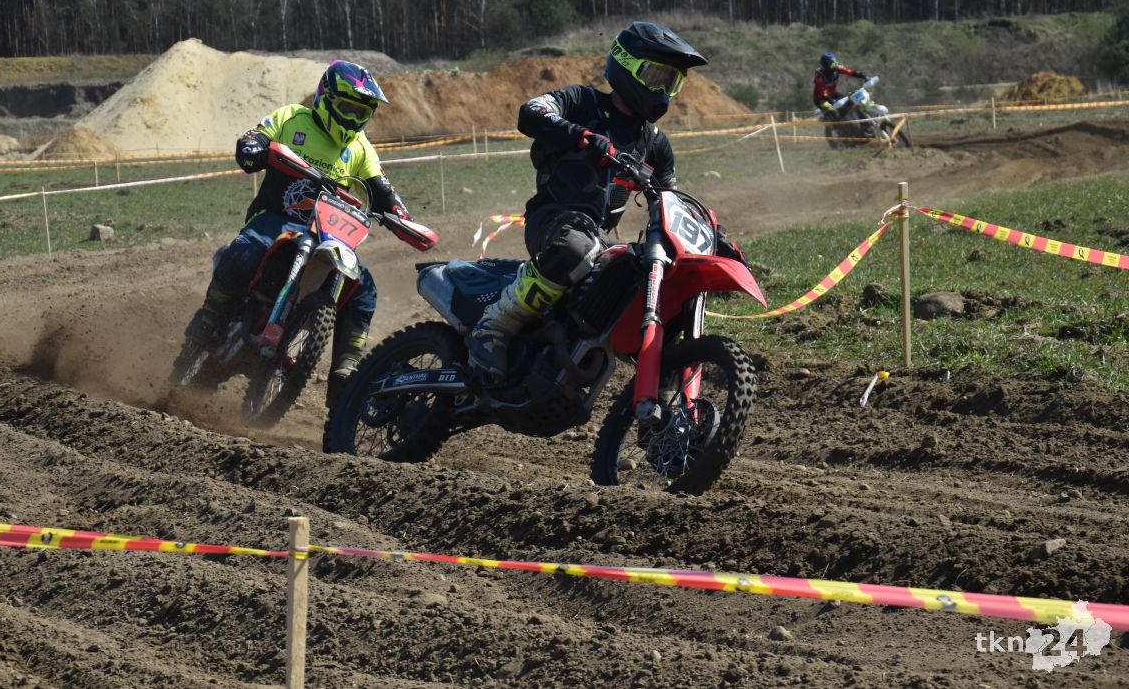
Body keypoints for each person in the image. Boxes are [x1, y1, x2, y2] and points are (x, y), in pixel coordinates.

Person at [467, 21, 746, 379]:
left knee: (646, 275)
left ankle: (660, 378)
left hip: (599, 237)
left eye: (671, 83)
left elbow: (671, 202)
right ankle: (494, 324)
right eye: (656, 77)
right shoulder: (582, 102)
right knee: (578, 247)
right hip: (552, 220)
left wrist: (716, 239)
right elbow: (531, 112)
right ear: (626, 66)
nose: (662, 91)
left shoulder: (654, 143)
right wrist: (580, 135)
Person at [177, 59, 411, 404]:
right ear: (327, 99)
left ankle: (346, 375)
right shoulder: (292, 118)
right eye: (348, 108)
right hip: (276, 217)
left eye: (362, 113)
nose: (353, 119)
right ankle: (209, 318)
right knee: (243, 251)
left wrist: (400, 214)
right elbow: (257, 136)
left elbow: (381, 188)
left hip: (328, 235)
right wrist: (253, 145)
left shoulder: (360, 148)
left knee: (364, 289)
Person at [813, 51, 870, 120]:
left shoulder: (837, 69)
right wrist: (833, 101)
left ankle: (859, 120)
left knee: (850, 103)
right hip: (821, 99)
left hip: (833, 94)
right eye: (832, 63)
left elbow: (851, 72)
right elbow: (823, 93)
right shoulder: (819, 77)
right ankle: (826, 118)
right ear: (826, 64)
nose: (834, 64)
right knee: (834, 114)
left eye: (834, 61)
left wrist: (864, 77)